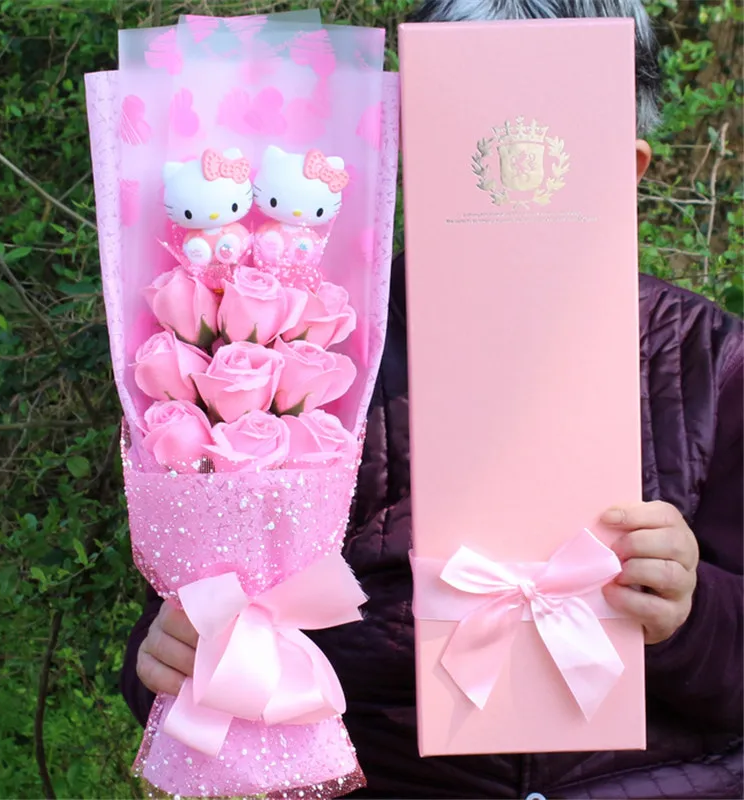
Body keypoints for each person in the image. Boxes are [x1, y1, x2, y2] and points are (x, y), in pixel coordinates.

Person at [121, 1, 743, 797]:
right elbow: (191, 624)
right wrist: (173, 653)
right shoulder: (303, 345)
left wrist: (693, 611)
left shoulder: (711, 360)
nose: (505, 177)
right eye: (469, 133)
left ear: (627, 167)